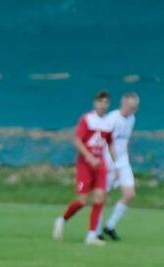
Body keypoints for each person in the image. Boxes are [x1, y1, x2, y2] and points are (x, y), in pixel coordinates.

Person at [53, 91, 115, 245]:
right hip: (85, 165)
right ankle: (62, 220)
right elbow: (77, 140)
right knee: (82, 200)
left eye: (105, 102)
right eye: (100, 102)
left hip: (100, 165)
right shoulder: (87, 119)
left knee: (100, 197)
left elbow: (110, 143)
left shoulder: (108, 123)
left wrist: (116, 164)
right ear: (95, 103)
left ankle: (91, 235)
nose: (102, 105)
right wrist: (88, 156)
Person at [99, 92, 139, 242]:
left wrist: (124, 159)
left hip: (123, 161)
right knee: (102, 196)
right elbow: (106, 143)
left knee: (129, 194)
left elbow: (125, 140)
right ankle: (95, 231)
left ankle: (109, 226)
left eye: (135, 108)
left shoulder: (132, 119)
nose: (132, 110)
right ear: (123, 104)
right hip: (109, 161)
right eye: (130, 107)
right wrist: (113, 165)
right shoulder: (112, 119)